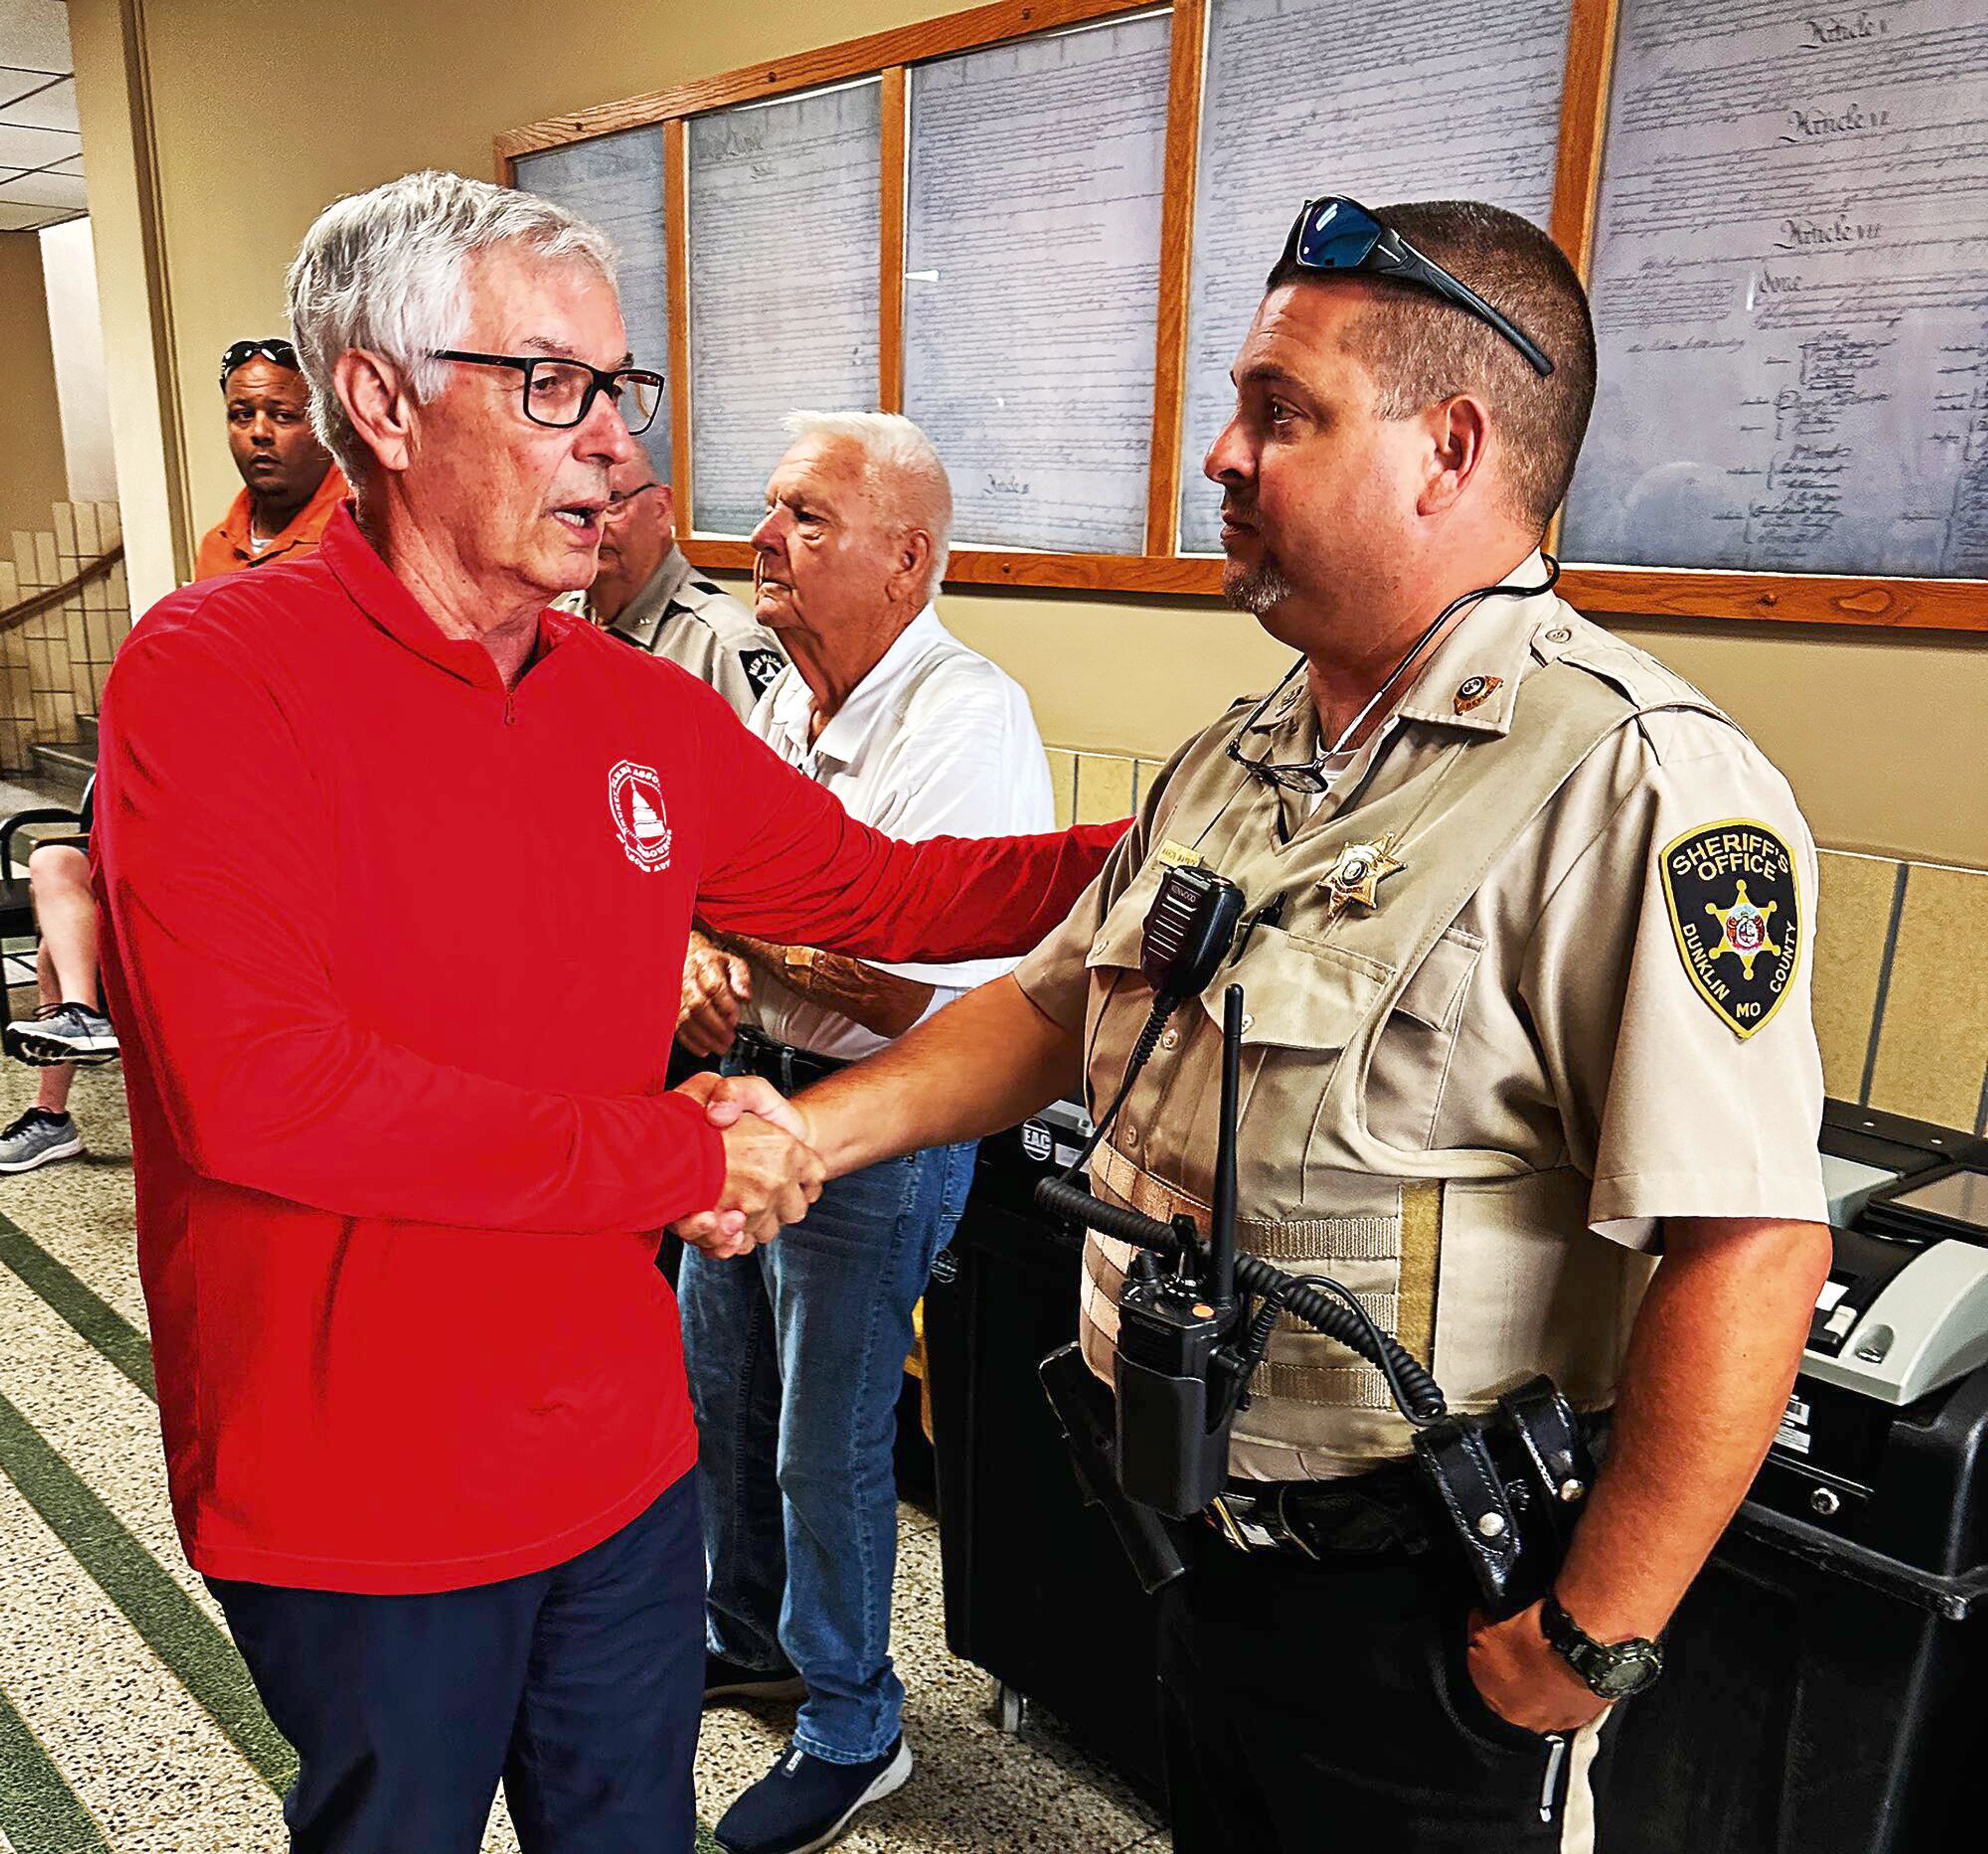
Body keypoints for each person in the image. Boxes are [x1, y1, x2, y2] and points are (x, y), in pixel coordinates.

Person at [679, 196, 1834, 1852]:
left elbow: (1748, 1241)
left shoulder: (1632, 779)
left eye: (1278, 412)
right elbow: (1053, 999)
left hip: (1430, 1610)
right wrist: (815, 1128)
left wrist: (1584, 1636)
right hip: (1194, 1543)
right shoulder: (1241, 754)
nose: (1219, 453)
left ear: (1449, 446)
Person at [90, 169, 1121, 1854]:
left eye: (621, 394)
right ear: (381, 399)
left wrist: (1184, 834)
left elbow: (891, 894)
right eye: (552, 388)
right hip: (359, 1485)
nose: (621, 452)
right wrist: (670, 1152)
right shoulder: (214, 679)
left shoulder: (636, 709)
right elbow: (264, 1091)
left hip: (615, 1464)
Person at [677, 412, 1055, 1854]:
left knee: (822, 1438)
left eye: (807, 520)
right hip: (747, 1100)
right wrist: (705, 939)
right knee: (720, 1391)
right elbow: (717, 883)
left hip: (877, 1133)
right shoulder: (783, 699)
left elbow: (910, 977)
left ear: (909, 559)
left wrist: (739, 928)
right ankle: (751, 1629)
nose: (762, 541)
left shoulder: (968, 717)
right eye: (771, 512)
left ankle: (855, 1718)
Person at [574, 445, 786, 719]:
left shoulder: (722, 645)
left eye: (613, 501)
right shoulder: (556, 623)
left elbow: (766, 760)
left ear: (662, 508)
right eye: (579, 507)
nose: (594, 524)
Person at [1, 778, 119, 1174]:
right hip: (124, 869)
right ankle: (83, 1017)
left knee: (56, 951)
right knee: (52, 861)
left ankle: (53, 1115)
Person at [193, 337, 349, 580]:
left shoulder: (366, 530)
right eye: (243, 415)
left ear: (326, 424)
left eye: (283, 416)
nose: (259, 433)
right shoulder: (215, 549)